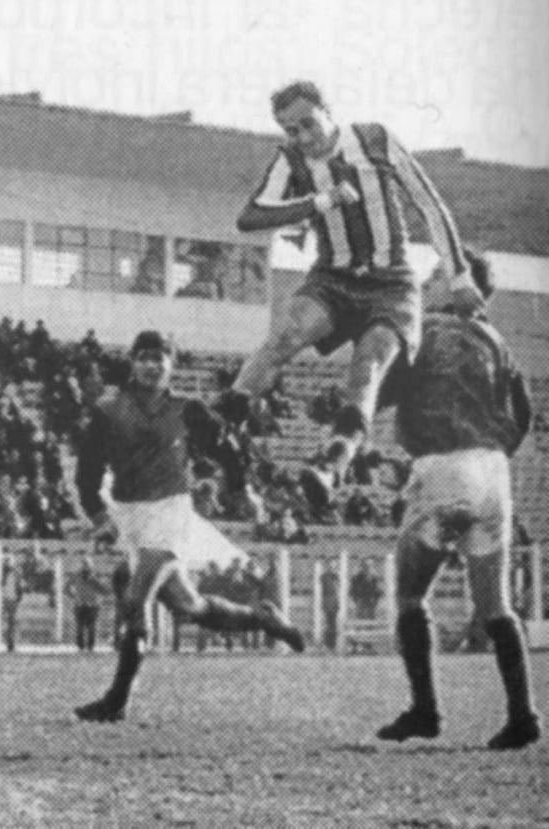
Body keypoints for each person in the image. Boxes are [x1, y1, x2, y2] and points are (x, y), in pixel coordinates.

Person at [227, 80, 481, 516]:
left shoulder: (375, 139)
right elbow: (251, 216)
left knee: (368, 365)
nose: (303, 138)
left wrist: (459, 276)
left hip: (391, 283)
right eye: (291, 131)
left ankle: (332, 462)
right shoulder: (291, 159)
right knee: (287, 335)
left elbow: (429, 204)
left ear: (329, 111)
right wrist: (318, 201)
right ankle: (222, 421)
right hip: (333, 277)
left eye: (308, 124)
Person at [73, 331, 305, 725]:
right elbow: (86, 473)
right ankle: (263, 616)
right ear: (132, 362)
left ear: (171, 365)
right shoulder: (108, 409)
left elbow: (227, 447)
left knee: (135, 599)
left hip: (171, 512)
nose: (152, 364)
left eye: (160, 357)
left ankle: (117, 699)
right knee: (188, 606)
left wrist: (242, 489)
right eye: (144, 357)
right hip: (130, 514)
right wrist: (99, 517)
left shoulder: (188, 409)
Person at [373, 251, 540, 750]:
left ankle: (425, 709)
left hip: (443, 464)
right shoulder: (497, 339)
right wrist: (495, 448)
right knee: (497, 607)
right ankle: (523, 714)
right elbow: (525, 411)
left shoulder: (424, 329)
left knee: (409, 595)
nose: (425, 282)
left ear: (457, 286)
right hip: (493, 471)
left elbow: (384, 389)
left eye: (435, 276)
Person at [69, 557, 102, 653]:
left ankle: (90, 647)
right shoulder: (76, 575)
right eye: (84, 564)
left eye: (87, 564)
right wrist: (74, 596)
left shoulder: (95, 575)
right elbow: (66, 587)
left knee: (91, 627)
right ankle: (81, 647)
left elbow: (103, 589)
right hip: (81, 604)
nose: (86, 567)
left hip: (92, 605)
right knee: (80, 627)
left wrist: (95, 581)